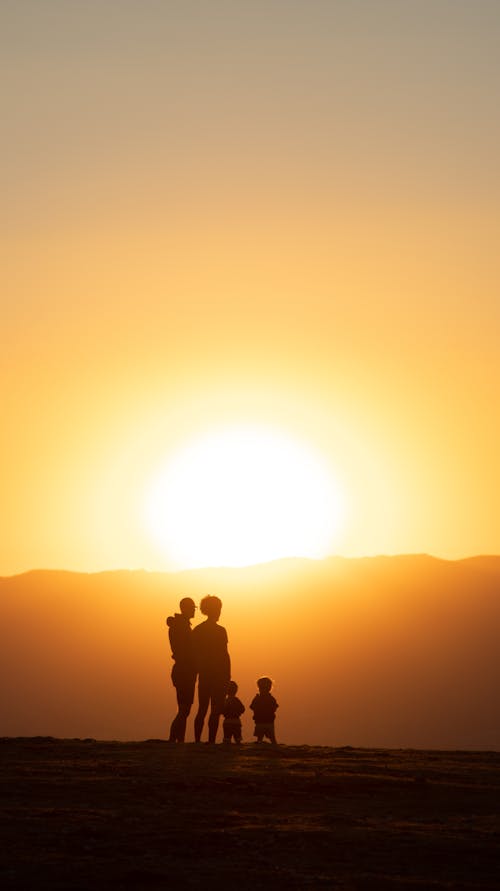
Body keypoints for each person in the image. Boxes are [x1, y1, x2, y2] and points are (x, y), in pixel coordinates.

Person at [192, 595, 231, 743]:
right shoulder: (221, 631)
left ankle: (197, 741)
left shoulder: (198, 630)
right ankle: (211, 741)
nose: (220, 612)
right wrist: (227, 675)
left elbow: (195, 654)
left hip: (205, 675)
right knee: (215, 710)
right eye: (219, 609)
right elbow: (225, 654)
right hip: (219, 675)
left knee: (202, 709)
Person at [166, 597, 197, 742]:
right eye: (192, 608)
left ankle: (180, 741)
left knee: (184, 709)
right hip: (185, 670)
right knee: (184, 709)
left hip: (182, 669)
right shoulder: (181, 627)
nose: (194, 610)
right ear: (185, 608)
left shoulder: (179, 625)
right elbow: (186, 650)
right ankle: (173, 739)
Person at [250, 676, 278, 744]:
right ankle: (274, 745)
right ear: (270, 688)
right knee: (272, 737)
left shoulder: (257, 698)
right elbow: (275, 707)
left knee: (260, 736)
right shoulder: (271, 699)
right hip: (269, 721)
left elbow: (252, 707)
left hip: (259, 721)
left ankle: (260, 743)